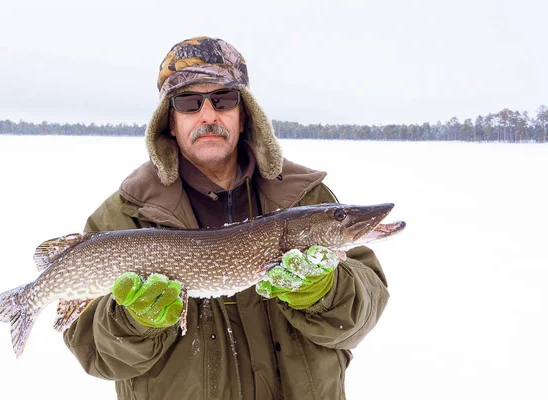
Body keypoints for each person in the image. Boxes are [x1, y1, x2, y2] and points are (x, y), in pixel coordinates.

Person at [63, 36, 390, 399]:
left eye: (223, 99)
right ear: (170, 121)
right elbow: (92, 350)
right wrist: (134, 322)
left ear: (243, 113)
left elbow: (364, 311)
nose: (207, 115)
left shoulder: (305, 197)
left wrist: (326, 292)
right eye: (188, 102)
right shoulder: (124, 215)